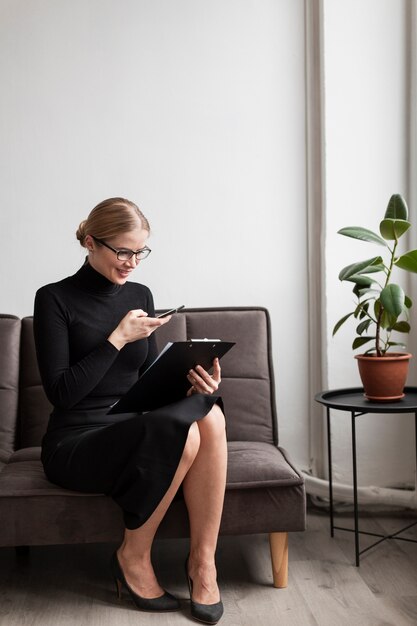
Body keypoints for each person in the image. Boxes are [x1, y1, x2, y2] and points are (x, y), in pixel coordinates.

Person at [33, 197, 227, 624]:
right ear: (89, 242)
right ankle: (133, 557)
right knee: (186, 432)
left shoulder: (139, 294)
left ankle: (203, 564)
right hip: (75, 440)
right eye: (122, 251)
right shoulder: (54, 300)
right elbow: (62, 394)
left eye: (140, 251)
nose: (132, 262)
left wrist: (192, 382)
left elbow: (146, 383)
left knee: (209, 412)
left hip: (133, 423)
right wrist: (116, 338)